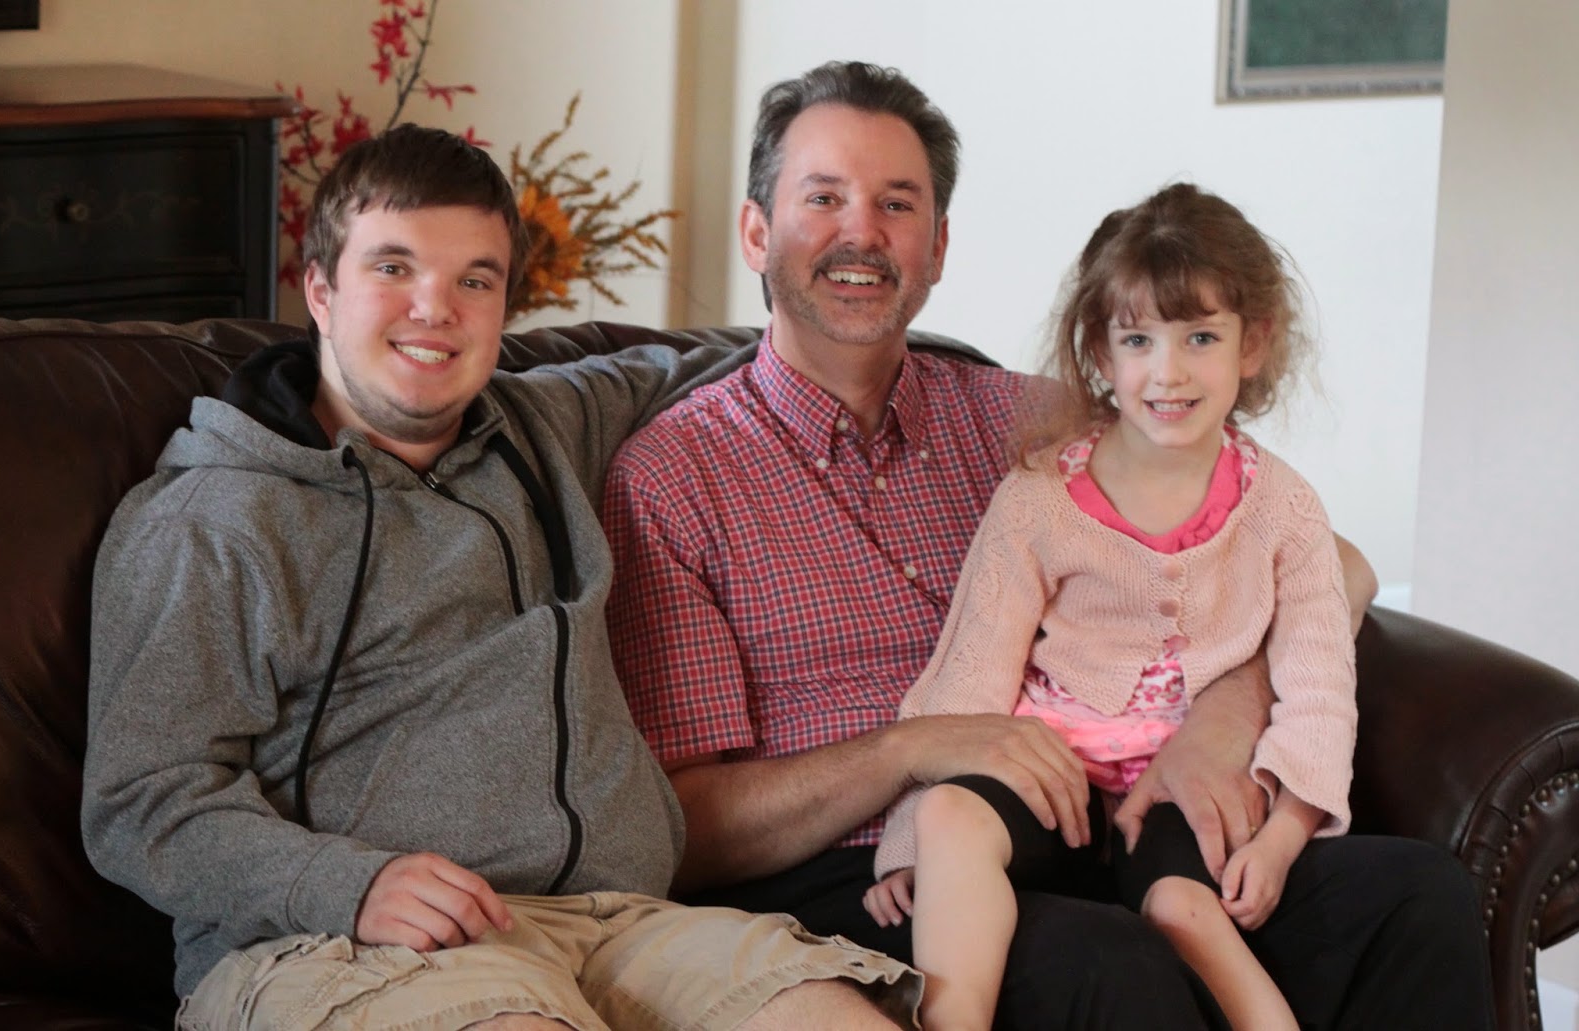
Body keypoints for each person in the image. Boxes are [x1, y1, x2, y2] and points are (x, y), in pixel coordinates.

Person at [603, 61, 1494, 1029]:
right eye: (822, 198)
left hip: (1103, 816)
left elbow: (1327, 563)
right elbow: (681, 829)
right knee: (1107, 962)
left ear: (939, 245)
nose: (862, 232)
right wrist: (911, 749)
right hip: (864, 874)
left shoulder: (1031, 422)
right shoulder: (673, 474)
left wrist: (1222, 717)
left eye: (896, 204)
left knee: (1417, 897)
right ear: (755, 231)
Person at [80, 124, 920, 1031]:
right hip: (337, 945)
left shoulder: (543, 426)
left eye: (474, 281)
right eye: (394, 268)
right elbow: (139, 801)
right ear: (320, 290)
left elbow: (749, 365)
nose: (435, 309)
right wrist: (345, 882)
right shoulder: (213, 520)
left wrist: (846, 275)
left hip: (620, 924)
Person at [863, 182, 1374, 1030]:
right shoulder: (1038, 498)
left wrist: (1283, 837)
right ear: (1101, 349)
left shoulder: (1285, 509)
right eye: (1138, 339)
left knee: (1179, 904)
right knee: (955, 814)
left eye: (1200, 337)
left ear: (1253, 343)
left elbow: (1320, 692)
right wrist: (913, 843)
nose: (1167, 372)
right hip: (1050, 773)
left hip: (1182, 788)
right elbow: (968, 674)